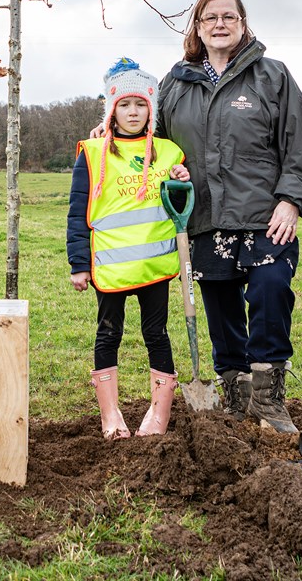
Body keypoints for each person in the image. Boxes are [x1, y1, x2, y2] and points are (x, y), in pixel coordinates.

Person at [156, 0, 302, 434]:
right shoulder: (175, 84)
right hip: (205, 217)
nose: (220, 24)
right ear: (197, 27)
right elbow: (152, 145)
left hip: (266, 217)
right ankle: (236, 392)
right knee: (220, 308)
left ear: (244, 24)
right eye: (210, 17)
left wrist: (291, 201)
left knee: (271, 292)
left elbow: (299, 144)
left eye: (229, 16)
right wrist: (111, 128)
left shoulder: (272, 76)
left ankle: (268, 398)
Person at [68, 59, 190, 439]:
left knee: (157, 334)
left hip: (155, 267)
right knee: (108, 334)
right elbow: (78, 211)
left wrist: (183, 180)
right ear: (112, 110)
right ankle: (111, 415)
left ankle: (159, 414)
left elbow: (182, 201)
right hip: (111, 267)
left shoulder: (169, 153)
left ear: (151, 109)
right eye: (124, 105)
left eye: (140, 105)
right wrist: (78, 263)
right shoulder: (92, 153)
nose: (133, 112)